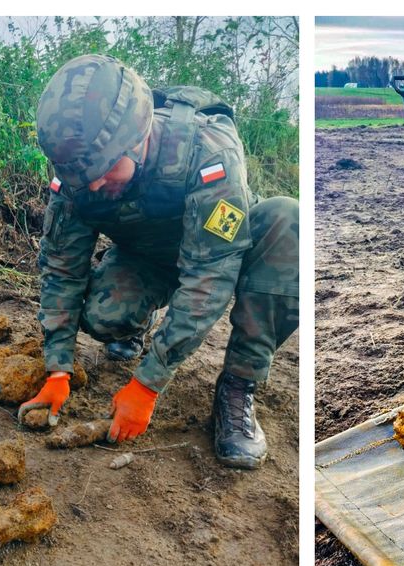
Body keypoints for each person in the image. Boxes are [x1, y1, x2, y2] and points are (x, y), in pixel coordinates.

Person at [19, 54, 299, 470]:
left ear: (138, 136)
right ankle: (137, 321)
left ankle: (239, 384)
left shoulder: (208, 153)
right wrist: (58, 367)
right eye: (82, 175)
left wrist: (147, 385)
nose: (93, 184)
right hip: (151, 258)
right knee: (103, 316)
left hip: (224, 253)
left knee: (288, 219)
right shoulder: (78, 176)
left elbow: (209, 278)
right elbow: (61, 268)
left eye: (103, 169)